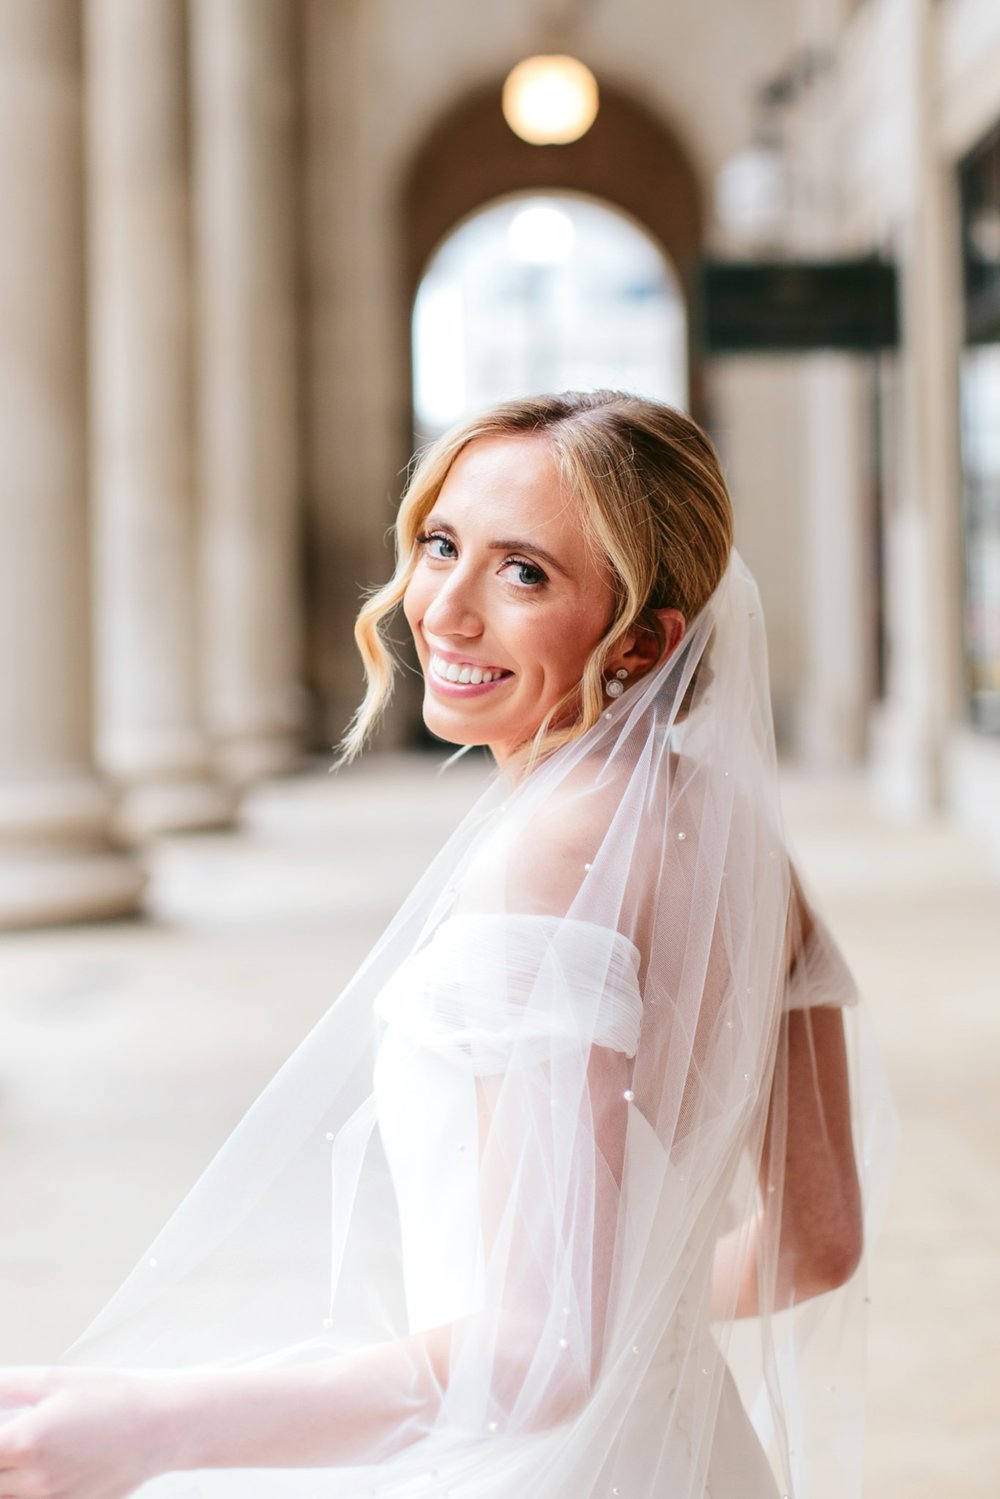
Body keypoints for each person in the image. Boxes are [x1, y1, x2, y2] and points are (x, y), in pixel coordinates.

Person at [0, 391, 894, 1499]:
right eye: (439, 544)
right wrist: (631, 1304)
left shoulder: (542, 865)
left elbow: (537, 1360)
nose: (446, 609)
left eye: (526, 573)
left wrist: (153, 1424)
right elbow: (818, 1242)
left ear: (647, 636)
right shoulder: (743, 840)